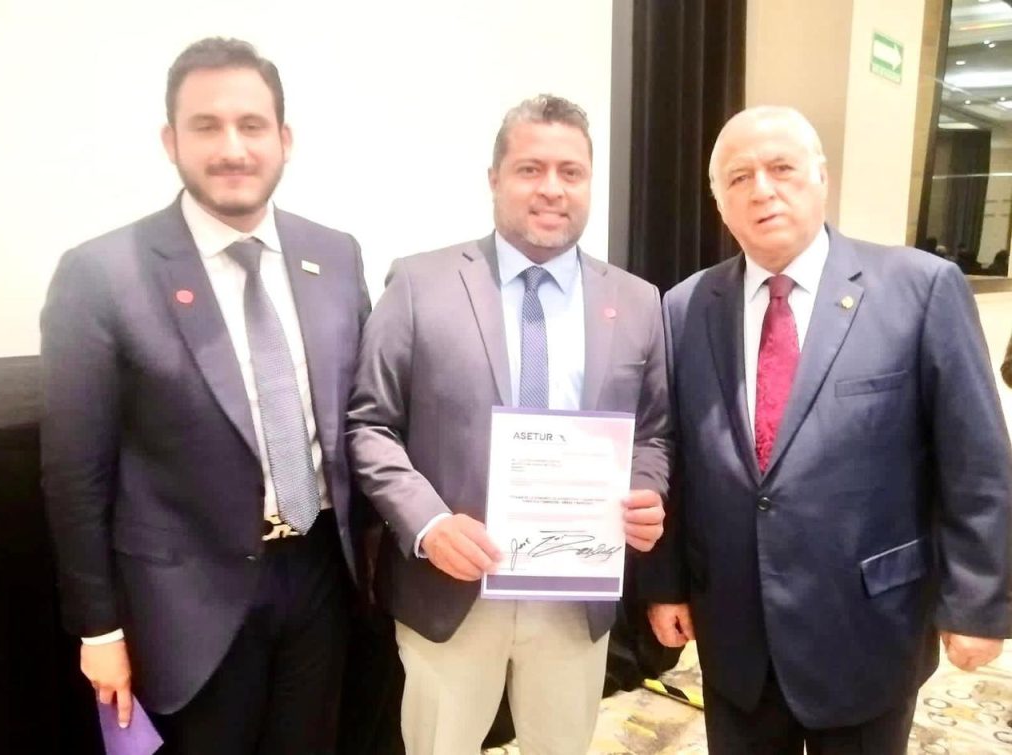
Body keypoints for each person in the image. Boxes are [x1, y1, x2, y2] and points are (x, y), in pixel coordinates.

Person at [640, 105, 1012, 754]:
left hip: (869, 625)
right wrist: (666, 584)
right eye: (739, 177)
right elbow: (674, 454)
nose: (762, 190)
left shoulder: (920, 288)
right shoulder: (685, 305)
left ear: (821, 177)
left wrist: (978, 602)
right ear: (719, 203)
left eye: (781, 168)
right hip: (736, 632)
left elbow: (975, 458)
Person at [41, 37, 370, 754]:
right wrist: (98, 628)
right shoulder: (101, 275)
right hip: (188, 605)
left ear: (284, 139)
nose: (232, 148)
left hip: (321, 577)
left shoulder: (336, 255)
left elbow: (361, 421)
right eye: (206, 126)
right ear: (171, 141)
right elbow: (75, 473)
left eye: (252, 125)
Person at [346, 94, 670, 755]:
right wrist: (429, 525)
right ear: (494, 179)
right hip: (452, 587)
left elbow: (654, 431)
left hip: (575, 593)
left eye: (571, 172)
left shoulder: (638, 301)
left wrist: (646, 490)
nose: (552, 188)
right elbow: (370, 424)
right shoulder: (419, 284)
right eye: (530, 169)